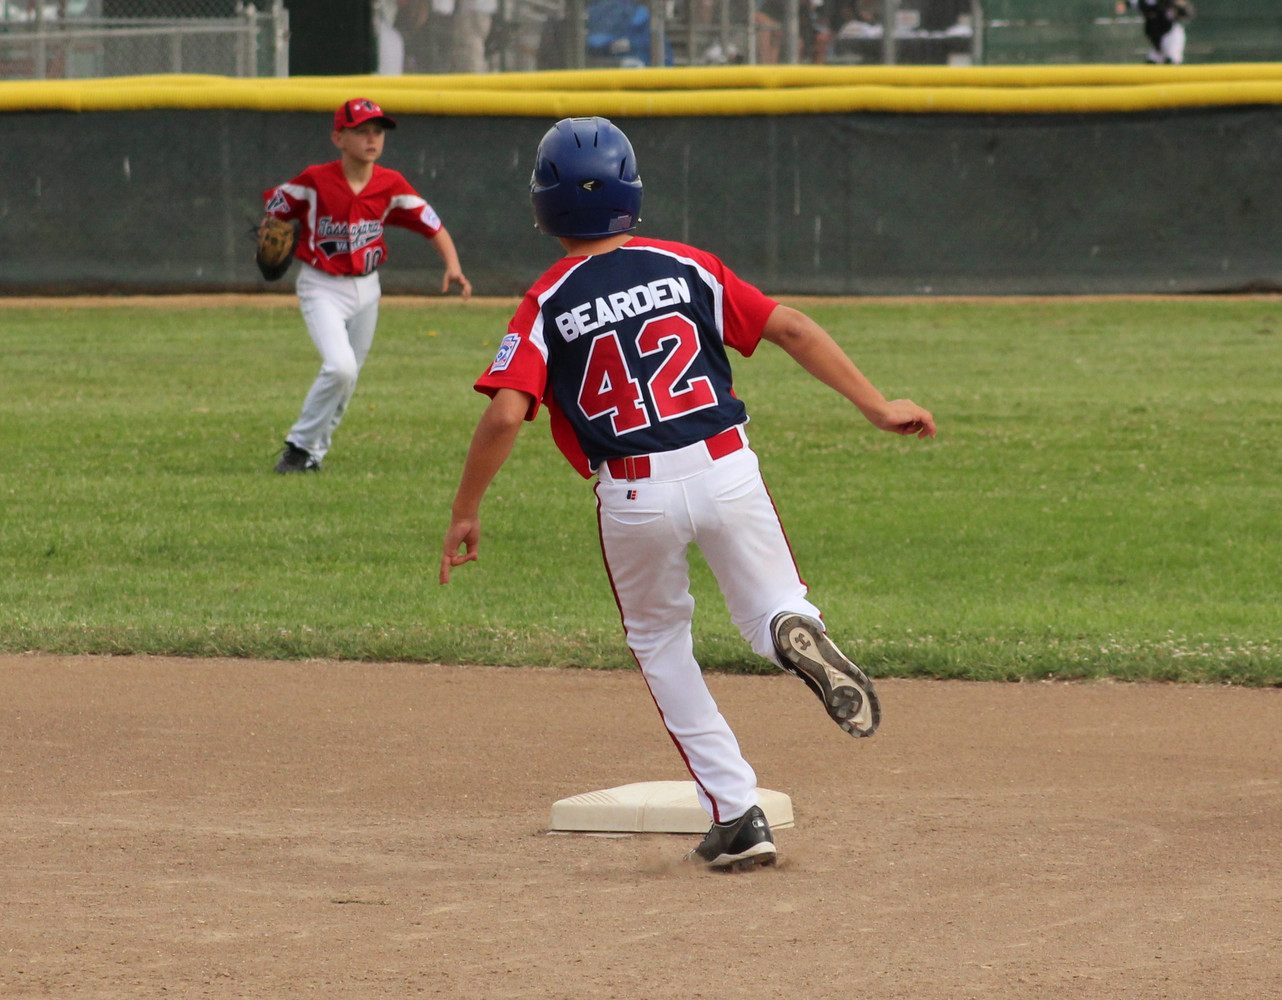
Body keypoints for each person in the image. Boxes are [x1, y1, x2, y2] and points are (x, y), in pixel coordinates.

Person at [439, 117, 935, 871]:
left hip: (633, 494)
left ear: (543, 204)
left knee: (662, 645)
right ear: (631, 192)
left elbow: (507, 413)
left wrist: (466, 509)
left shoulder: (545, 301)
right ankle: (791, 625)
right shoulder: (686, 264)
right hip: (726, 466)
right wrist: (877, 405)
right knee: (772, 605)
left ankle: (737, 814)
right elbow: (792, 328)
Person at [262, 98, 471, 474]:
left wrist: (453, 266)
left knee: (349, 377)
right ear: (338, 138)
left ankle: (313, 455)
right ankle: (298, 447)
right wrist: (270, 231)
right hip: (322, 286)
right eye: (361, 131)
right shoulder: (315, 180)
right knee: (340, 367)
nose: (372, 138)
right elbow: (275, 208)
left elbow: (432, 224)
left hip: (367, 288)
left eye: (377, 132)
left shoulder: (391, 184)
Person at [1115, 0, 1194, 65]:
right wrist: (1123, 5)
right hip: (1157, 39)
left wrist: (1179, 8)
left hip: (1171, 35)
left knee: (1170, 63)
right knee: (1150, 67)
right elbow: (1126, 4)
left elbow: (1185, 10)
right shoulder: (1141, 2)